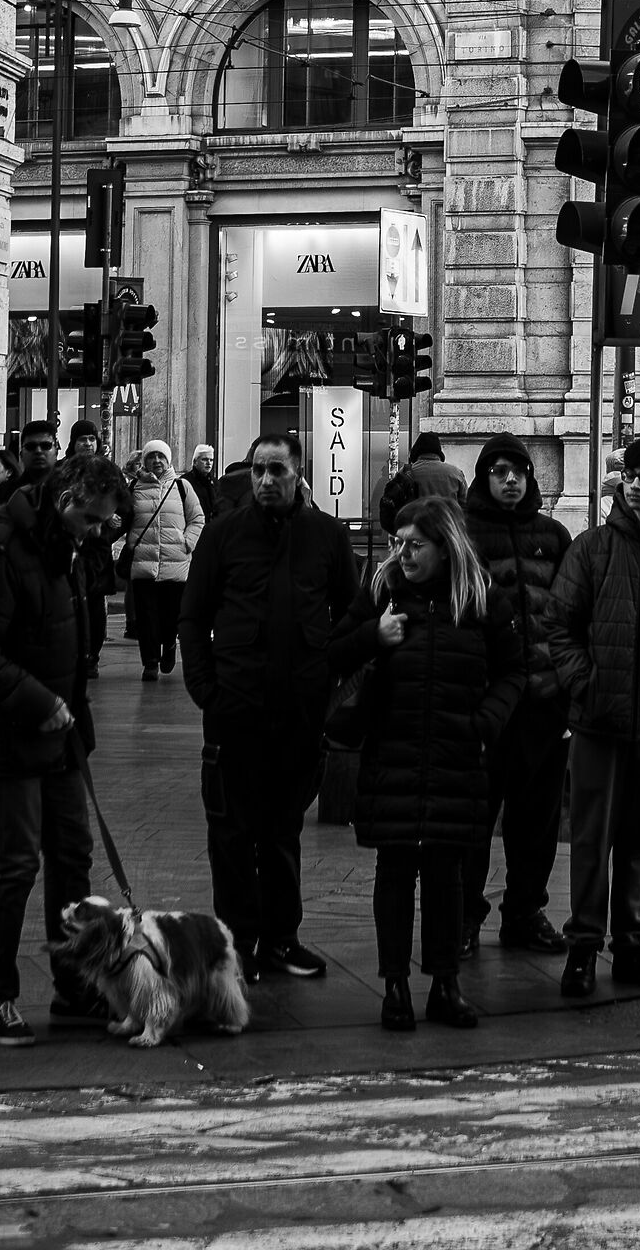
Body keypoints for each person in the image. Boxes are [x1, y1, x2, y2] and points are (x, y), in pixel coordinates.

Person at [0, 450, 133, 1046]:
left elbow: (72, 647)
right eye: (93, 520)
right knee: (16, 863)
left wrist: (73, 718)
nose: (99, 531)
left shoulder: (66, 551)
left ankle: (75, 983)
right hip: (6, 734)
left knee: (72, 852)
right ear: (65, 503)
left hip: (57, 734)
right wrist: (37, 702)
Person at [330, 498, 523, 1032]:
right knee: (394, 872)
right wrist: (375, 635)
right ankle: (394, 985)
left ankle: (445, 984)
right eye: (398, 543)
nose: (404, 554)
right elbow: (332, 652)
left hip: (455, 754)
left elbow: (514, 671)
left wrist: (484, 723)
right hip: (392, 752)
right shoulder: (381, 591)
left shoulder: (480, 599)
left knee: (447, 874)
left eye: (415, 544)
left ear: (445, 546)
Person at [178, 430, 357, 985]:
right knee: (231, 834)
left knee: (282, 832)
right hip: (235, 710)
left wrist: (329, 688)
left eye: (276, 470)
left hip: (299, 713)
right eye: (258, 469)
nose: (265, 480)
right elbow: (193, 614)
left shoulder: (326, 535)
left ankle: (282, 938)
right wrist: (206, 688)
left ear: (298, 473)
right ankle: (236, 942)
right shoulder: (224, 533)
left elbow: (349, 616)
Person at [546, 434, 640, 1001]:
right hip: (598, 725)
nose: (635, 484)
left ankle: (632, 943)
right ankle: (583, 947)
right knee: (589, 839)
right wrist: (586, 683)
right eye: (629, 473)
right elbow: (561, 625)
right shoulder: (592, 548)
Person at [460, 434, 572, 955]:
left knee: (537, 820)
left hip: (544, 704)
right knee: (472, 820)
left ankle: (525, 911)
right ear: (484, 477)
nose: (509, 479)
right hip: (484, 706)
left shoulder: (554, 535)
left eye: (518, 471)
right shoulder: (461, 534)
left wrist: (569, 689)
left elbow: (572, 617)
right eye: (499, 471)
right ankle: (462, 917)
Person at [126, 442, 205, 680]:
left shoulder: (182, 486)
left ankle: (169, 645)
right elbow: (125, 517)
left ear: (168, 460)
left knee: (171, 615)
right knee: (146, 617)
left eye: (161, 456)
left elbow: (197, 518)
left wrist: (187, 543)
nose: (157, 461)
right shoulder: (135, 488)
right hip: (143, 562)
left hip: (175, 563)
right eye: (152, 457)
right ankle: (150, 662)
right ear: (145, 461)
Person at [66, 420, 114, 674]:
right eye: (82, 439)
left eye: (91, 439)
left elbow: (125, 508)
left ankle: (91, 656)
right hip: (69, 548)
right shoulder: (63, 471)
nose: (87, 443)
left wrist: (110, 529)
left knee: (94, 606)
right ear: (73, 443)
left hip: (97, 550)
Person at [378, 433, 466, 536]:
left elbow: (391, 506)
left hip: (416, 535)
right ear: (439, 452)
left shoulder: (406, 473)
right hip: (447, 535)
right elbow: (465, 509)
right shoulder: (456, 473)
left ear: (416, 451)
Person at [186, 445, 218, 522]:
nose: (208, 463)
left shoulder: (215, 483)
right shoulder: (185, 481)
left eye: (211, 460)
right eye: (204, 459)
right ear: (195, 461)